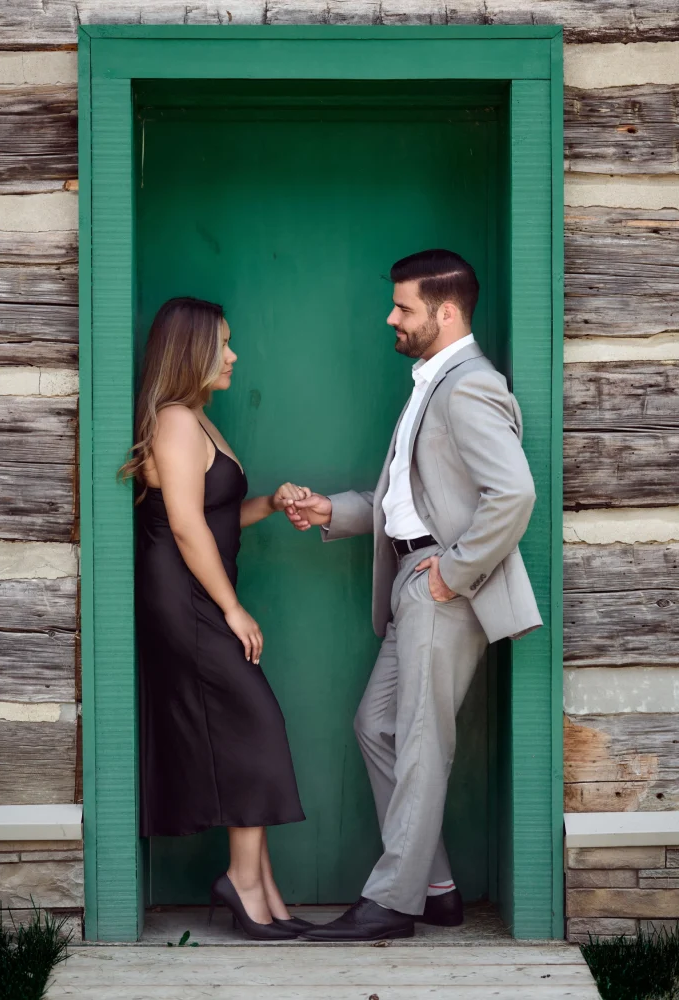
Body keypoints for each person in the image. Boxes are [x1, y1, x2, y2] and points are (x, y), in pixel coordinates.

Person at [285, 249, 542, 942]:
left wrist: (454, 574)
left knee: (424, 740)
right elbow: (413, 502)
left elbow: (514, 494)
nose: (391, 317)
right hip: (412, 579)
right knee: (378, 727)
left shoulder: (468, 386)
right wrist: (331, 512)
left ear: (446, 311)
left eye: (404, 307)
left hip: (441, 587)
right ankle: (437, 888)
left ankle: (391, 903)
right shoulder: (431, 382)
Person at [119, 296, 311, 941]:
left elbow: (219, 512)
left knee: (247, 732)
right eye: (223, 344)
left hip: (200, 594)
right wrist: (231, 607)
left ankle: (261, 887)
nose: (233, 355)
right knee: (255, 725)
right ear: (191, 351)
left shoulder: (198, 418)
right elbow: (183, 523)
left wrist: (272, 502)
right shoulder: (175, 420)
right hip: (189, 602)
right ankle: (243, 882)